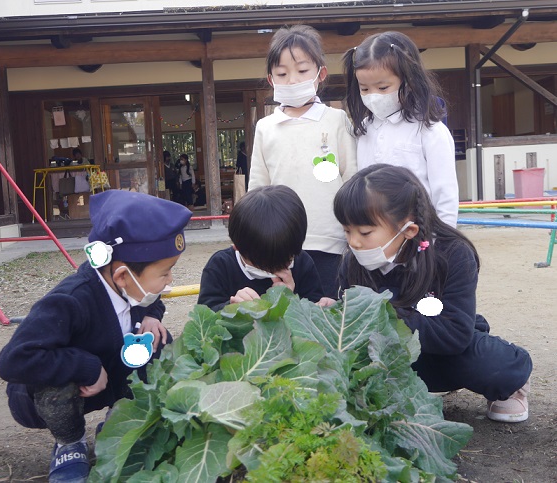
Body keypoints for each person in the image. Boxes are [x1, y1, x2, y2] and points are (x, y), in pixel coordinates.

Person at [0, 190, 192, 482]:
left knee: (159, 342)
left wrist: (154, 314)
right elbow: (13, 360)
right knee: (56, 386)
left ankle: (120, 421)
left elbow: (151, 297)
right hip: (54, 391)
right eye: (165, 273)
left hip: (109, 378)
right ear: (123, 276)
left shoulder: (130, 287)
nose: (170, 280)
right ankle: (69, 442)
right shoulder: (71, 301)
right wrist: (84, 367)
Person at [333, 164, 532, 423]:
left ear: (409, 230)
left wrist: (381, 312)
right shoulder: (353, 262)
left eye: (365, 232)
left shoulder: (451, 254)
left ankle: (514, 385)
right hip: (389, 360)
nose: (354, 242)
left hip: (443, 352)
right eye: (347, 231)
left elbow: (454, 334)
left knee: (493, 366)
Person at [249, 24, 357, 299]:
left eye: (302, 71)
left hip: (328, 238)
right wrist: (255, 236)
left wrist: (354, 228)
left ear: (320, 73)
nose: (292, 80)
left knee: (326, 309)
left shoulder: (336, 120)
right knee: (284, 311)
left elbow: (351, 178)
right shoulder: (265, 127)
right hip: (279, 242)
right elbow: (258, 187)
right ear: (271, 79)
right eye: (282, 74)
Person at [342, 31, 458, 227]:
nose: (373, 96)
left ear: (409, 81)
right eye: (364, 89)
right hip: (377, 235)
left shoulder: (429, 131)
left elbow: (445, 193)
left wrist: (443, 242)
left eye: (383, 88)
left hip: (420, 235)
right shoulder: (364, 130)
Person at [198, 185, 331, 312]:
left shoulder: (302, 263)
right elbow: (205, 313)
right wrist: (232, 308)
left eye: (284, 264)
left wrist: (291, 300)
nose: (271, 272)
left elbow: (314, 309)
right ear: (236, 247)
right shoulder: (220, 266)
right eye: (261, 267)